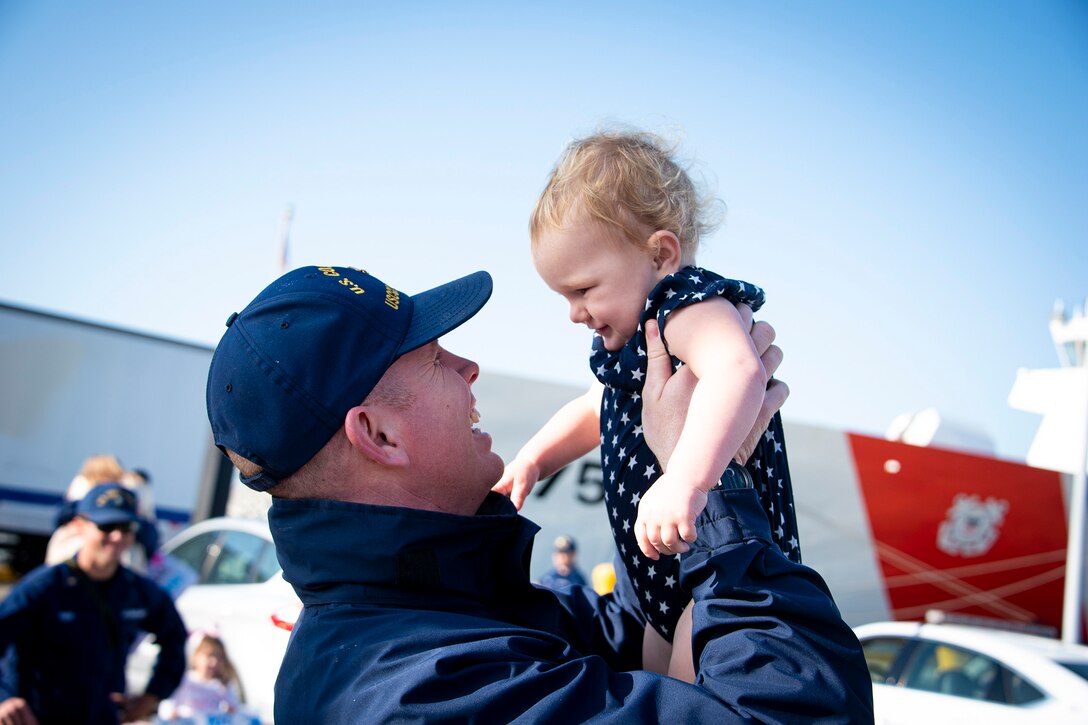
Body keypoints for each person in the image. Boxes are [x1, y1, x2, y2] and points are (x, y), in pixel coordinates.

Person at [204, 264, 872, 722]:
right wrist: (709, 485)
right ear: (377, 433)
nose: (470, 367)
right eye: (437, 357)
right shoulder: (428, 692)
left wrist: (663, 463)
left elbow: (644, 633)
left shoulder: (454, 614)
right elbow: (795, 708)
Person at [494, 128, 802, 677]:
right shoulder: (632, 341)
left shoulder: (684, 306)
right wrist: (534, 461)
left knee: (689, 696)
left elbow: (738, 370)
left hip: (711, 559)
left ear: (661, 254)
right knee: (655, 694)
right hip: (657, 577)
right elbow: (595, 410)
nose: (574, 313)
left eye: (584, 289)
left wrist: (686, 480)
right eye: (563, 296)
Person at [0, 483, 187, 724]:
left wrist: (152, 696)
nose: (118, 537)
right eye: (107, 527)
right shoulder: (43, 588)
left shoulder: (138, 591)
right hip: (40, 715)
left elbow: (175, 638)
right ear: (80, 525)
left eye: (126, 527)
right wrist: (4, 697)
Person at [157, 631, 246, 722]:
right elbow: (168, 702)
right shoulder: (185, 681)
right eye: (209, 655)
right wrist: (170, 713)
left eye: (219, 657)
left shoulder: (221, 686)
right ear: (195, 657)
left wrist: (229, 709)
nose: (214, 661)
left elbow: (235, 708)